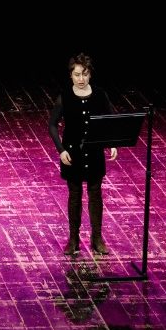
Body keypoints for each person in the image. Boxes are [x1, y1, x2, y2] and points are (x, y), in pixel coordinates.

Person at [48, 53, 118, 255]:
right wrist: (61, 150)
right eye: (77, 74)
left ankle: (97, 238)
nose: (81, 79)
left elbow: (111, 119)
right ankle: (73, 239)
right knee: (75, 195)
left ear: (90, 74)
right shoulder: (65, 97)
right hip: (73, 154)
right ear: (71, 75)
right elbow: (52, 125)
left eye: (84, 74)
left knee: (95, 194)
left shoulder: (99, 95)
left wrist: (112, 143)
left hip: (94, 152)